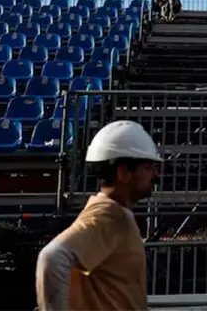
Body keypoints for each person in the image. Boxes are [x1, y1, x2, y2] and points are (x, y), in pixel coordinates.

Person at [35, 120, 162, 311]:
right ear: (123, 172)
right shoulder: (109, 214)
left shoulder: (116, 213)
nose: (156, 175)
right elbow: (52, 257)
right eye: (148, 166)